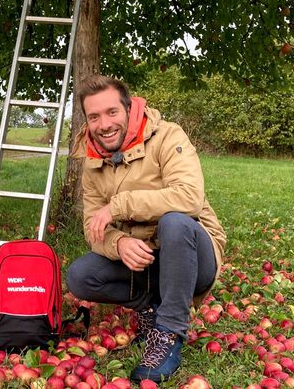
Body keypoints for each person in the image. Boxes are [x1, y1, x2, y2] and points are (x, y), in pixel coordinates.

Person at [66, 75, 226, 382]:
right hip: (146, 260)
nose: (104, 124)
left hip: (192, 254)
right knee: (80, 276)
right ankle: (151, 311)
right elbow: (92, 227)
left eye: (112, 112)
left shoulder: (167, 136)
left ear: (129, 108)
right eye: (94, 116)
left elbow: (189, 198)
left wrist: (118, 206)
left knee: (175, 222)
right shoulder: (92, 160)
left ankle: (169, 334)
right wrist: (119, 243)